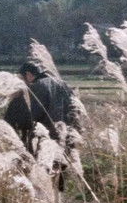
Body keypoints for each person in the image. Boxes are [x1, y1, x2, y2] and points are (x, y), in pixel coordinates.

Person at [5, 61, 81, 190]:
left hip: (44, 140)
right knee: (58, 176)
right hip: (64, 136)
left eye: (22, 78)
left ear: (28, 75)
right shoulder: (63, 84)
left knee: (43, 177)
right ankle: (57, 200)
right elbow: (75, 111)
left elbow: (27, 117)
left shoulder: (37, 88)